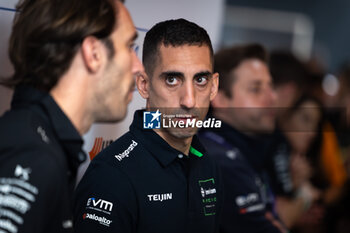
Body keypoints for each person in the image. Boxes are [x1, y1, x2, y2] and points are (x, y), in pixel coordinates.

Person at [0, 0, 143, 232]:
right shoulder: (33, 158)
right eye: (129, 46)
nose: (139, 67)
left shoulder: (37, 142)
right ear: (93, 53)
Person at [73, 18, 222, 233]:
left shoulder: (208, 165)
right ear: (144, 85)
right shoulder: (111, 176)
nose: (189, 100)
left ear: (214, 86)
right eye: (172, 79)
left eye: (200, 80)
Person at [198, 44, 289, 233]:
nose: (272, 97)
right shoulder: (219, 162)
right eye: (256, 89)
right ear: (220, 99)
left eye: (270, 87)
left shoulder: (253, 149)